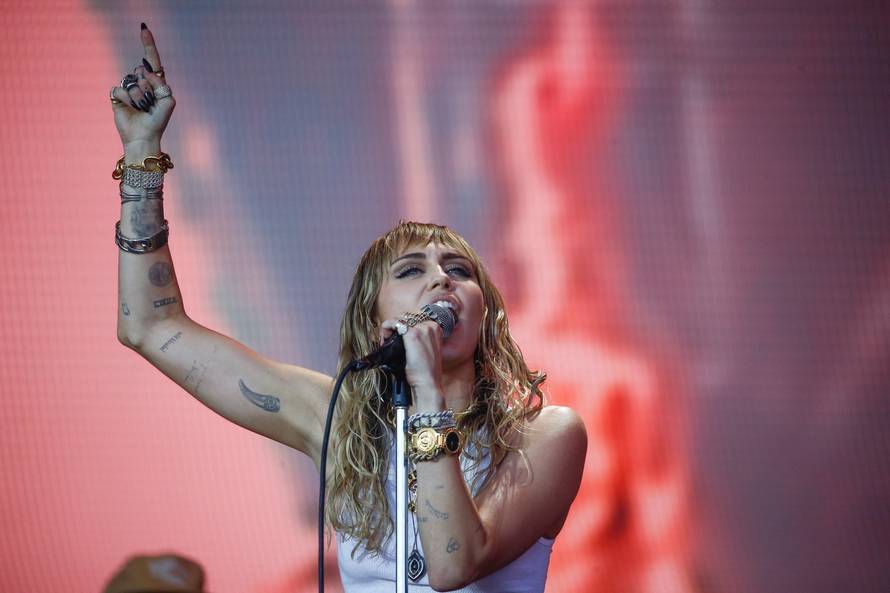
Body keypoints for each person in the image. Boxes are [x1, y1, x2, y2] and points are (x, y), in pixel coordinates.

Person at [112, 23, 587, 593]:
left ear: (486, 315)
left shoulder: (544, 436)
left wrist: (427, 393)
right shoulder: (337, 425)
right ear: (372, 319)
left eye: (459, 271)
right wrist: (141, 155)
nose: (442, 279)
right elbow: (150, 326)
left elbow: (454, 564)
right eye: (412, 271)